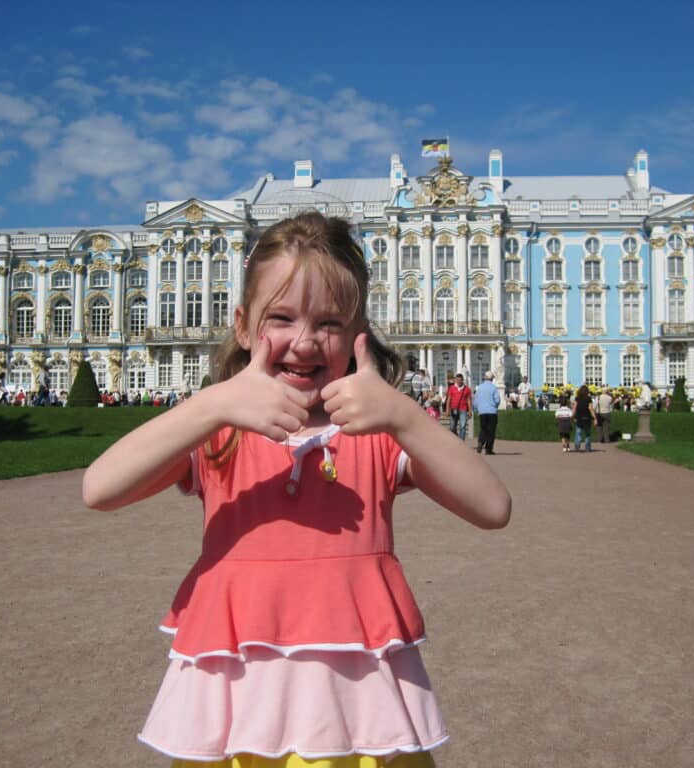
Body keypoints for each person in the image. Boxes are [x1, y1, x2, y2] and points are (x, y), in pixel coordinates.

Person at [82, 212, 511, 768]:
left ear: (359, 334)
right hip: (237, 712)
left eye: (329, 323)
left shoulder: (375, 433)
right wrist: (212, 405)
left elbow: (492, 507)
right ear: (243, 327)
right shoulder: (220, 433)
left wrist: (405, 417)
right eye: (281, 317)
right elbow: (100, 488)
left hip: (357, 717)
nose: (304, 342)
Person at [474, 370, 502, 454]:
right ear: (492, 378)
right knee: (491, 431)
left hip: (482, 412)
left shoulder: (480, 387)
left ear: (485, 378)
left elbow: (476, 400)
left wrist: (477, 409)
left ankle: (480, 442)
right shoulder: (493, 388)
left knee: (483, 429)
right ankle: (488, 449)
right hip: (492, 412)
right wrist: (495, 406)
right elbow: (497, 400)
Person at [445, 372, 472, 440]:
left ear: (462, 380)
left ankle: (461, 442)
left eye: (460, 380)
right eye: (457, 380)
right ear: (455, 380)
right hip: (454, 409)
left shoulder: (467, 389)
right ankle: (454, 438)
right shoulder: (452, 388)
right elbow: (449, 399)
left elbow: (469, 400)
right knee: (452, 427)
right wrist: (447, 409)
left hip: (463, 409)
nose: (458, 382)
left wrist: (470, 410)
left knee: (462, 426)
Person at [572, 384, 596, 453]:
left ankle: (577, 445)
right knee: (587, 433)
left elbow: (575, 408)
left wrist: (572, 416)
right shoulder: (589, 398)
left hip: (579, 417)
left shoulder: (577, 398)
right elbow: (590, 408)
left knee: (578, 432)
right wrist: (595, 418)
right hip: (587, 418)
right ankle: (587, 448)